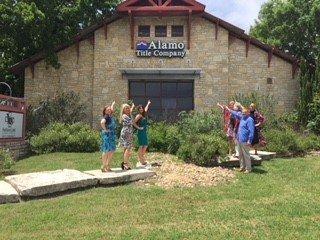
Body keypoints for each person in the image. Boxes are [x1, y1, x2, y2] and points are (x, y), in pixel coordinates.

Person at [227, 106, 255, 173]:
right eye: (242, 113)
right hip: (239, 139)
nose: (243, 114)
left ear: (248, 113)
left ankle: (248, 169)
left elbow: (251, 131)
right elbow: (236, 113)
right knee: (240, 155)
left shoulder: (250, 120)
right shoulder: (242, 118)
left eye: (244, 113)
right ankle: (242, 167)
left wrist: (249, 140)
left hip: (245, 140)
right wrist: (228, 109)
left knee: (246, 155)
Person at [119, 103, 143, 170]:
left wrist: (131, 109)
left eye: (128, 108)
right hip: (126, 133)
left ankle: (125, 163)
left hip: (128, 133)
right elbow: (132, 122)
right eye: (126, 108)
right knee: (128, 148)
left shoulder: (128, 115)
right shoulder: (124, 116)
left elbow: (132, 122)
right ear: (123, 110)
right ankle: (125, 164)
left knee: (126, 148)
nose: (128, 109)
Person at [100, 101, 116, 172]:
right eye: (108, 109)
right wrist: (105, 129)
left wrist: (112, 105)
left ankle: (107, 165)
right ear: (105, 111)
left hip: (111, 135)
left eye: (110, 109)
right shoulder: (106, 117)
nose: (109, 110)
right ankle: (104, 166)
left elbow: (112, 110)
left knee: (111, 150)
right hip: (108, 135)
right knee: (106, 150)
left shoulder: (110, 116)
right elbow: (102, 122)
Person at [134, 100, 152, 167]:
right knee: (141, 145)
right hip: (140, 132)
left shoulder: (143, 114)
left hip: (144, 132)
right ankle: (141, 160)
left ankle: (141, 157)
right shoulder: (138, 115)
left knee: (145, 145)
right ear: (138, 110)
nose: (141, 109)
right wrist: (138, 128)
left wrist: (148, 103)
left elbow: (146, 109)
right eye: (140, 108)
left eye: (142, 108)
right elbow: (133, 122)